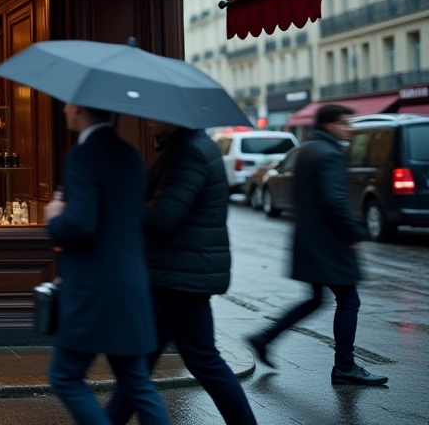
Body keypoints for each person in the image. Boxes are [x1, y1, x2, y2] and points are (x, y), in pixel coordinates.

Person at [104, 122, 256, 425]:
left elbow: (163, 217)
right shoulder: (183, 147)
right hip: (176, 275)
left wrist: (120, 201)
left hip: (177, 278)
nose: (147, 120)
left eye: (154, 115)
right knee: (149, 367)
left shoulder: (188, 153)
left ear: (173, 118)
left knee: (198, 363)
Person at [246, 104, 388, 387]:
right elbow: (334, 201)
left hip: (309, 240)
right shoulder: (330, 154)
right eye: (345, 123)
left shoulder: (308, 150)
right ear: (330, 125)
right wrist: (353, 234)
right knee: (349, 301)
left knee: (315, 299)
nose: (349, 128)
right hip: (330, 243)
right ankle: (345, 367)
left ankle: (264, 337)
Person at [45, 104, 168, 425]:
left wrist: (55, 218)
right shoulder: (130, 155)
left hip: (93, 288)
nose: (64, 110)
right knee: (137, 383)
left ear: (81, 109)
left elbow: (81, 224)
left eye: (69, 104)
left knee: (65, 377)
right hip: (130, 284)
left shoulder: (82, 156)